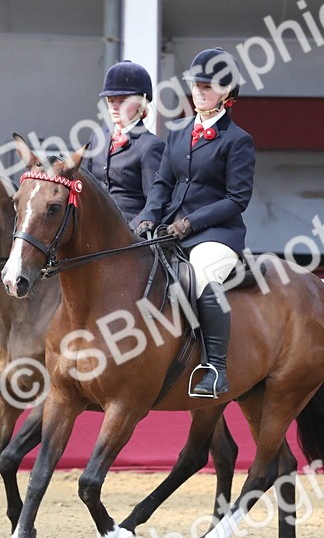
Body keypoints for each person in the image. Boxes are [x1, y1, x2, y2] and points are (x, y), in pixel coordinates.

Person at [133, 48, 254, 399]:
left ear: (227, 93)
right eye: (196, 85)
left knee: (202, 276)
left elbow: (237, 199)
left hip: (217, 234)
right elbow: (161, 184)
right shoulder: (177, 133)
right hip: (171, 227)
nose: (199, 91)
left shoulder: (238, 141)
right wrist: (147, 218)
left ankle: (216, 368)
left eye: (208, 86)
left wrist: (190, 223)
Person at [82, 60, 165, 225]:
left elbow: (154, 202)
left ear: (141, 103)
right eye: (111, 100)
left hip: (127, 229)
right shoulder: (97, 136)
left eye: (122, 101)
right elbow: (87, 186)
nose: (114, 106)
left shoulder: (150, 146)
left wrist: (133, 229)